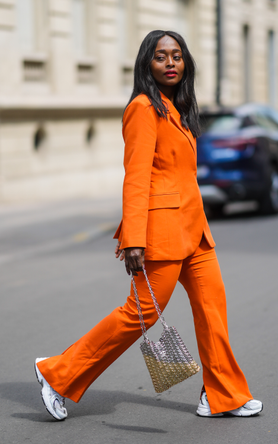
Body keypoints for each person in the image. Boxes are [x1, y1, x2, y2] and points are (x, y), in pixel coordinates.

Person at [34, 30, 263, 421]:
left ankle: (223, 394)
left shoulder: (177, 107)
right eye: (161, 57)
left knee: (212, 307)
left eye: (176, 56)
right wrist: (134, 239)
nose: (170, 62)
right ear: (147, 64)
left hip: (194, 231)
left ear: (185, 61)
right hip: (161, 231)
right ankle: (57, 373)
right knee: (139, 313)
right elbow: (136, 177)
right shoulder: (143, 108)